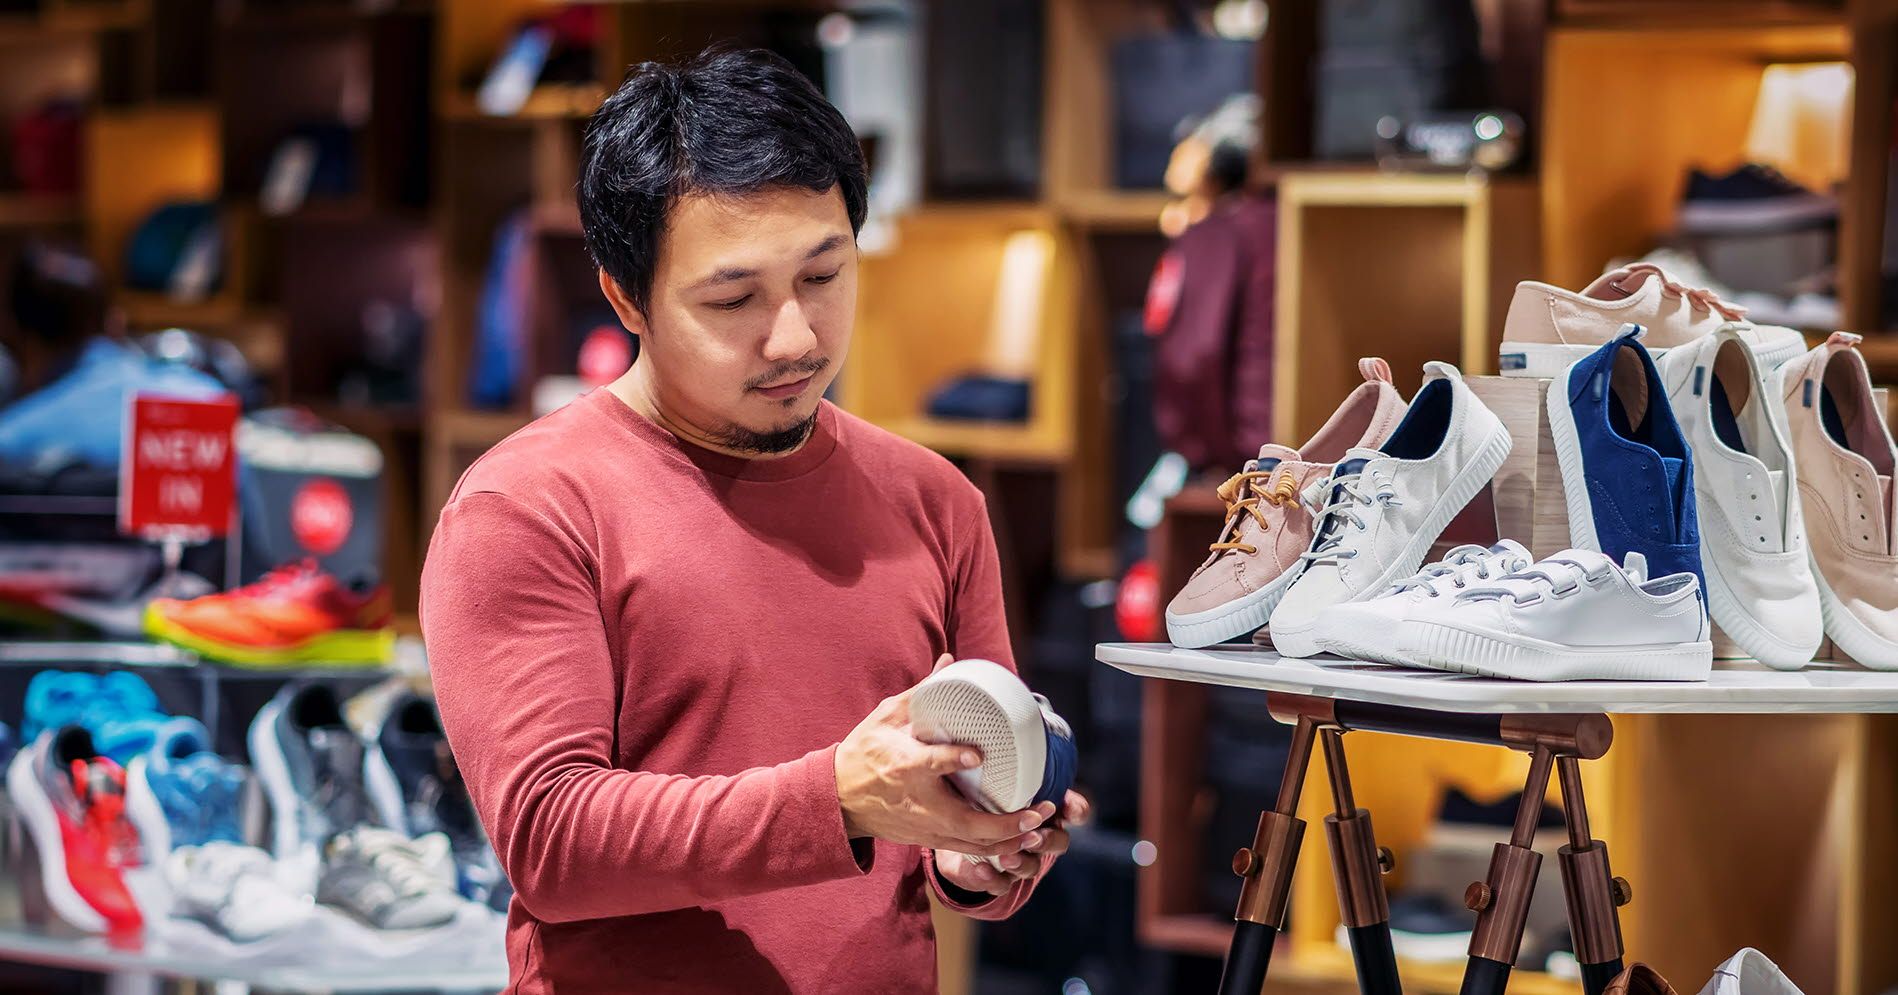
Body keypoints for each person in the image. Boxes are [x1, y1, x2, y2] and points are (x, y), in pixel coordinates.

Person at [420, 47, 1088, 993]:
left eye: (824, 275)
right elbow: (550, 839)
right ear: (624, 297)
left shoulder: (936, 503)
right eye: (733, 299)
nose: (796, 337)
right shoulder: (526, 508)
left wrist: (982, 851)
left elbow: (958, 809)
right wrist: (839, 799)